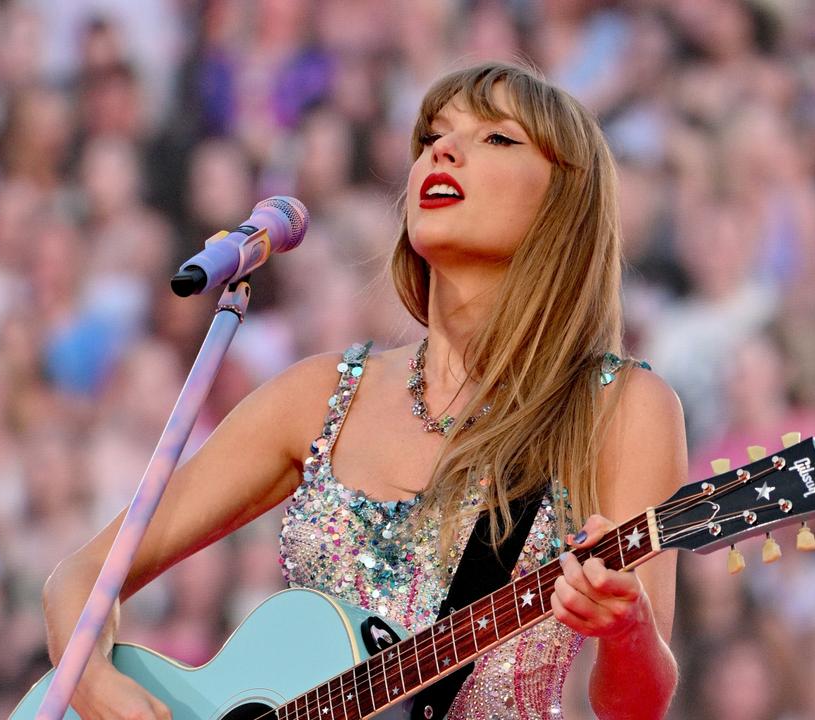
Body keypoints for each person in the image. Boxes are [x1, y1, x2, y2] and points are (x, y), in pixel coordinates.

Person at [43, 61, 686, 720]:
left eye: (497, 138)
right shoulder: (323, 396)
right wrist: (89, 681)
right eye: (434, 134)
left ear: (564, 199)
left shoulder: (619, 407)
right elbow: (83, 574)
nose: (443, 149)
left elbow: (636, 706)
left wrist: (627, 628)